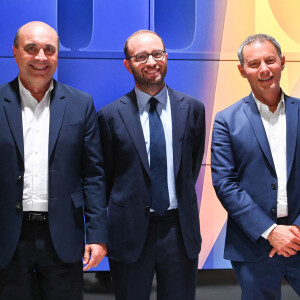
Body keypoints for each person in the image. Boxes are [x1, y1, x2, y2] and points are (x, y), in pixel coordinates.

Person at [0, 21, 108, 300]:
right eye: (31, 48)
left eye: (49, 50)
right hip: (7, 236)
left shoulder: (80, 103)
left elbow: (94, 175)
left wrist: (96, 235)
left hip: (62, 234)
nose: (41, 57)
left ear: (58, 55)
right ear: (15, 52)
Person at [97, 30, 205, 299]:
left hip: (179, 232)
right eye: (141, 56)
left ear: (166, 57)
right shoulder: (110, 116)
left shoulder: (193, 109)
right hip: (130, 232)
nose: (151, 62)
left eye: (157, 54)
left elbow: (190, 168)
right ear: (128, 64)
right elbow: (105, 178)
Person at [211, 33, 300, 299]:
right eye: (254, 64)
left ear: (282, 62)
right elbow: (225, 183)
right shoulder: (226, 120)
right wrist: (271, 231)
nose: (264, 69)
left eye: (270, 60)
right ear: (242, 70)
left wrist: (295, 231)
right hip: (253, 243)